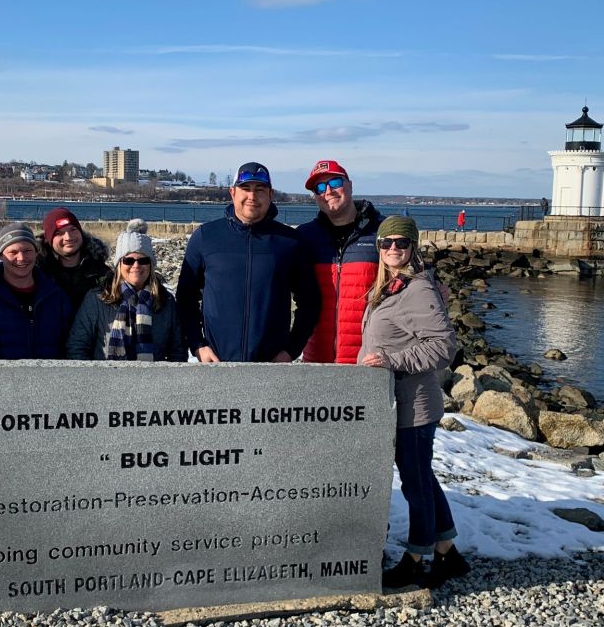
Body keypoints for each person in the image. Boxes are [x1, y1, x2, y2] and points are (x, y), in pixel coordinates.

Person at [359, 216, 469, 589]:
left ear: (413, 247)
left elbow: (443, 346)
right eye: (386, 243)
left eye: (401, 243)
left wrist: (393, 361)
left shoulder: (418, 288)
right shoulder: (390, 287)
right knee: (423, 477)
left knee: (415, 484)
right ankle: (447, 550)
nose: (393, 249)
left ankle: (416, 558)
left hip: (414, 407)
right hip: (396, 403)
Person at [176, 162, 320, 363]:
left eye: (260, 190)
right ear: (232, 192)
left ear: (270, 194)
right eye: (245, 189)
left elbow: (310, 301)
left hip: (271, 366)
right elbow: (185, 298)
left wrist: (291, 350)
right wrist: (198, 345)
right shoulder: (205, 237)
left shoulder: (289, 242)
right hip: (216, 363)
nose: (252, 196)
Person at [296, 159, 385, 364]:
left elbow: (412, 279)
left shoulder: (381, 232)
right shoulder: (304, 237)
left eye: (335, 183)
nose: (328, 191)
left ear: (350, 185)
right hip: (317, 360)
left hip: (369, 361)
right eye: (319, 187)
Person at [67, 220, 186, 361]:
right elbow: (77, 347)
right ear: (118, 264)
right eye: (128, 261)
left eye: (143, 261)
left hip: (154, 380)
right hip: (107, 379)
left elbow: (178, 350)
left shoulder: (165, 301)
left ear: (151, 265)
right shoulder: (98, 299)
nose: (136, 266)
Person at [0, 223, 73, 359]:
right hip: (1, 377)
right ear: (1, 256)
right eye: (13, 252)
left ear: (36, 252)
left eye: (27, 250)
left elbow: (69, 345)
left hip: (50, 376)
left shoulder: (56, 296)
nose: (21, 258)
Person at [37, 207, 110, 311]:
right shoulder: (39, 275)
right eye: (59, 233)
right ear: (49, 240)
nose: (68, 237)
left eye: (73, 229)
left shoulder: (103, 274)